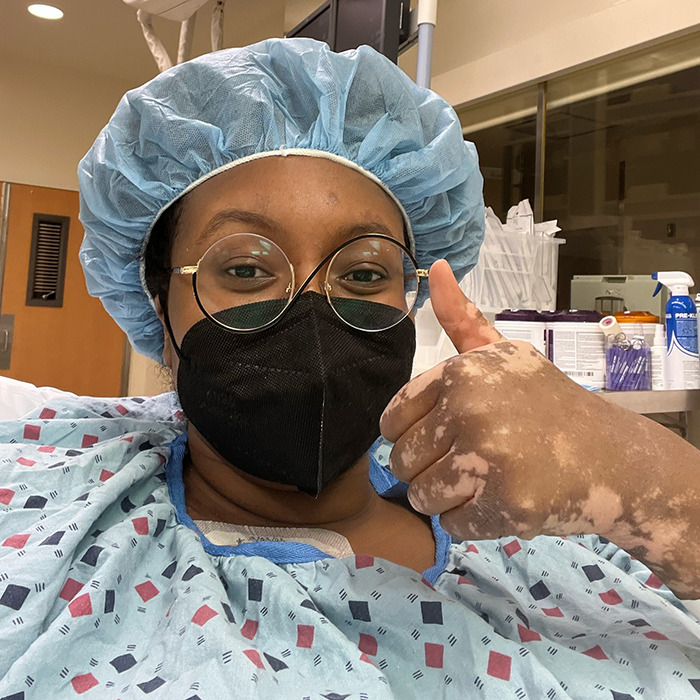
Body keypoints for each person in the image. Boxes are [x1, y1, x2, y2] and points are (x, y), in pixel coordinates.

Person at [1, 38, 699, 698]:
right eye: (244, 269)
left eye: (364, 273)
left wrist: (633, 468)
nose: (310, 314)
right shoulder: (43, 518)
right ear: (160, 310)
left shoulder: (532, 517)